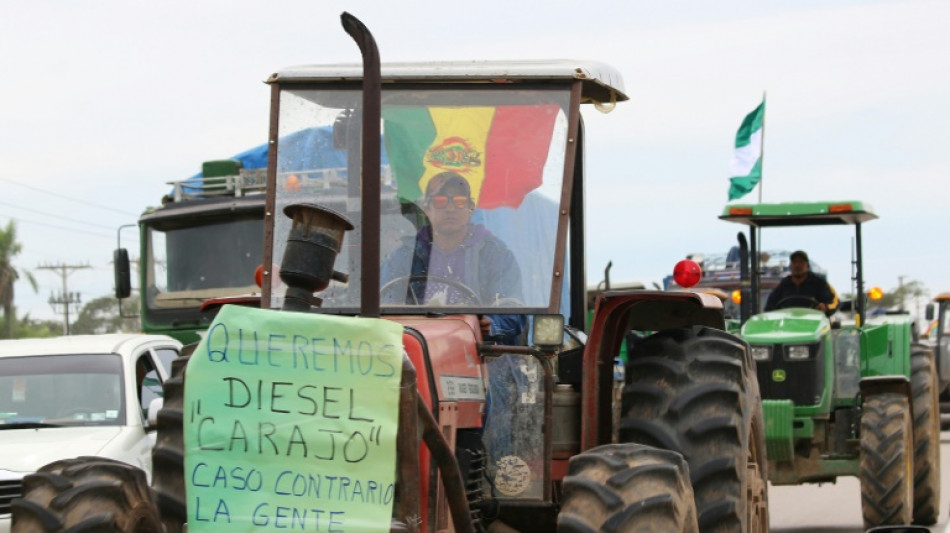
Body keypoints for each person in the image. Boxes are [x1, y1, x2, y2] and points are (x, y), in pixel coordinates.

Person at [382, 171, 525, 342]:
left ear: (470, 209)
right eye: (440, 202)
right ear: (427, 208)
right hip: (419, 347)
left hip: (480, 352)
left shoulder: (494, 254)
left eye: (459, 202)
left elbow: (513, 310)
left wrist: (490, 323)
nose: (450, 209)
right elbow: (384, 307)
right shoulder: (404, 256)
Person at [765, 250, 839, 314]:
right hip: (788, 324)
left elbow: (834, 302)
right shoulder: (783, 285)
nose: (797, 265)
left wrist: (825, 307)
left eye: (801, 262)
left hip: (814, 324)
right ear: (790, 266)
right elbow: (769, 307)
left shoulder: (820, 283)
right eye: (794, 262)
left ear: (807, 266)